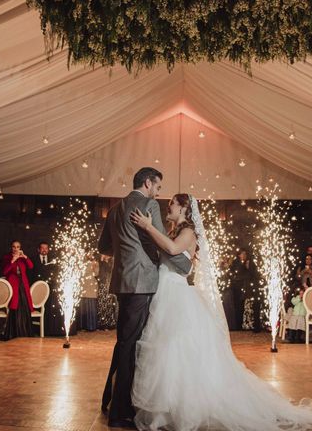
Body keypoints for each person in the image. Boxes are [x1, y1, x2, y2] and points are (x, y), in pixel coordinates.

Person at [130, 194, 312, 430]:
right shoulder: (174, 230)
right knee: (166, 350)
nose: (168, 206)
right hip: (166, 293)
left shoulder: (187, 232)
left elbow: (172, 248)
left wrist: (148, 227)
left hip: (177, 295)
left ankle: (186, 408)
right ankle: (165, 409)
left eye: (172, 204)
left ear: (185, 209)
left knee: (177, 349)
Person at [98, 167, 180, 428]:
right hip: (142, 281)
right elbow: (159, 240)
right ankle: (120, 412)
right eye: (157, 187)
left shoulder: (115, 208)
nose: (158, 193)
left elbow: (103, 247)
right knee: (131, 345)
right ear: (147, 183)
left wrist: (126, 253)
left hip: (122, 280)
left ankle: (110, 399)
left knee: (124, 341)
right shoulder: (148, 205)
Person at [2, 240, 34, 339]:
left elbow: (31, 266)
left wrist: (25, 257)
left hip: (23, 284)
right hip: (13, 284)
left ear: (20, 248)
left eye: (18, 247)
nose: (16, 249)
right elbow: (5, 271)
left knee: (24, 306)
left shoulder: (22, 258)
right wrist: (12, 260)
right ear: (11, 248)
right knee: (15, 306)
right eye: (14, 247)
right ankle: (14, 333)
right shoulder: (7, 257)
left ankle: (25, 332)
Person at [32, 241, 63, 336]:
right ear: (38, 249)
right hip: (37, 288)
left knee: (49, 308)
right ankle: (35, 329)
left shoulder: (53, 260)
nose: (44, 250)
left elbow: (55, 273)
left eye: (46, 248)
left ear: (48, 250)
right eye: (42, 248)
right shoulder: (33, 259)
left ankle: (47, 329)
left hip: (49, 289)